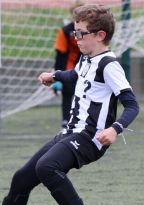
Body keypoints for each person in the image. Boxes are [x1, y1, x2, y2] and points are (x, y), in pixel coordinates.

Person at [0, 4, 139, 205]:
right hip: (71, 132)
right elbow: (77, 76)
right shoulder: (87, 58)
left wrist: (115, 128)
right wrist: (55, 75)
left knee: (47, 167)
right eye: (75, 33)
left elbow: (132, 105)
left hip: (91, 137)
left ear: (100, 35)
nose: (75, 38)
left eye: (81, 33)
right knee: (22, 179)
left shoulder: (109, 64)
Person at [53, 0, 84, 130]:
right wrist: (57, 77)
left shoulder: (89, 31)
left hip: (84, 68)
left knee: (80, 95)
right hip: (71, 69)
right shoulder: (66, 31)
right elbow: (60, 54)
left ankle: (75, 122)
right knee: (69, 95)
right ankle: (67, 122)